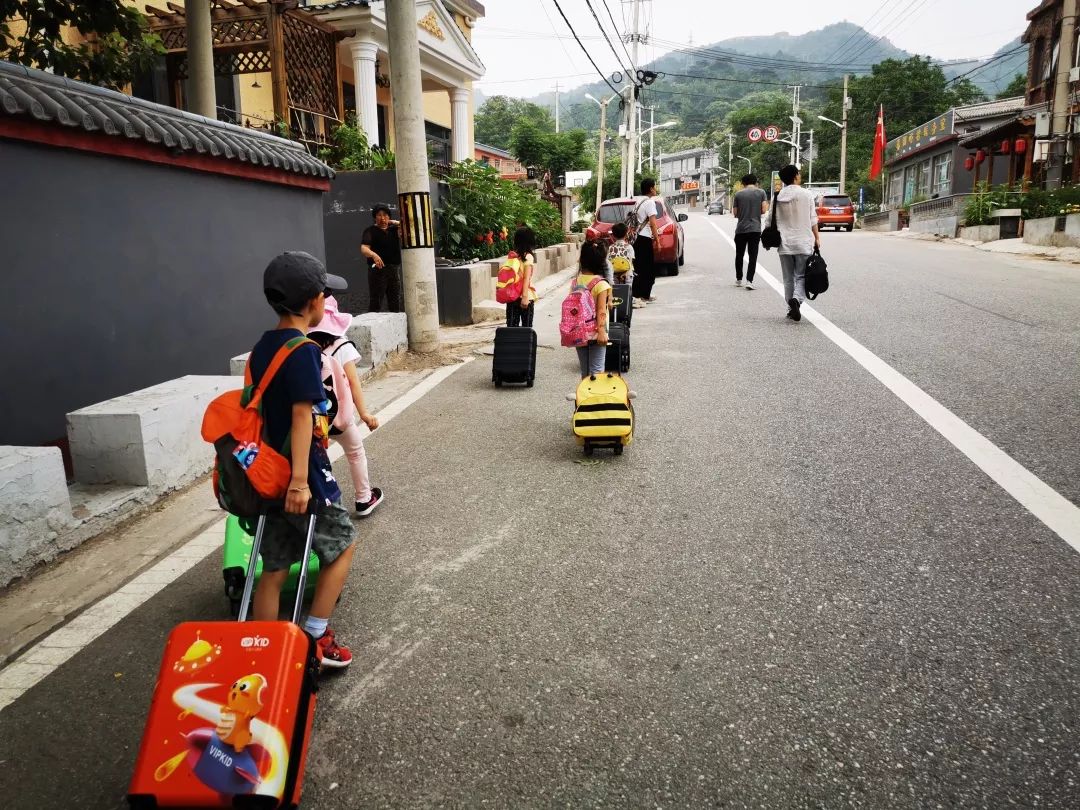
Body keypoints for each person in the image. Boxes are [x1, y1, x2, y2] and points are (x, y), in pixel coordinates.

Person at [250, 251, 357, 668]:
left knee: (275, 565)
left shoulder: (263, 346)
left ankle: (263, 644)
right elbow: (301, 415)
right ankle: (315, 635)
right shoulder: (304, 351)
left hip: (265, 472)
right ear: (314, 301)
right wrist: (300, 481)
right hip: (301, 477)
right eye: (325, 295)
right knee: (343, 545)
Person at [308, 296, 384, 518]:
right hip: (340, 417)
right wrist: (364, 414)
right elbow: (353, 383)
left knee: (317, 459)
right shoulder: (342, 346)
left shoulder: (304, 345)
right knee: (355, 452)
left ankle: (322, 503)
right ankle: (363, 498)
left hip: (314, 418)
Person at [772, 164, 820, 322]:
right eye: (798, 173)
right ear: (795, 176)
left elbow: (768, 221)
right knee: (801, 276)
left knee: (787, 278)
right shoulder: (806, 194)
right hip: (803, 242)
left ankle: (790, 307)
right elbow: (813, 218)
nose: (800, 175)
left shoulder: (777, 196)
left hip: (784, 243)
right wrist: (817, 238)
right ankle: (797, 301)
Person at [570, 240, 612, 377]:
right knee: (597, 372)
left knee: (585, 372)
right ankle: (596, 398)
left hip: (578, 331)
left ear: (582, 260)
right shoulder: (601, 284)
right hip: (595, 332)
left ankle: (583, 398)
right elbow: (601, 310)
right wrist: (601, 331)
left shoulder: (575, 282)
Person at [360, 204, 402, 313]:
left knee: (395, 300)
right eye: (379, 215)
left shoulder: (394, 230)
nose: (382, 218)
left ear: (389, 217)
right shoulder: (370, 231)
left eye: (385, 215)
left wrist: (395, 222)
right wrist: (374, 255)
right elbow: (364, 248)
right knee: (376, 301)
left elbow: (411, 226)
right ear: (375, 217)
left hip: (393, 269)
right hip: (377, 270)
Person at [732, 174, 768, 290]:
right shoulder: (761, 192)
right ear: (755, 182)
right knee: (753, 256)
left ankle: (738, 279)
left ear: (743, 183)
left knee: (739, 255)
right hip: (755, 229)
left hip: (741, 229)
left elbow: (735, 213)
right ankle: (749, 281)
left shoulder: (738, 194)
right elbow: (763, 210)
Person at [630, 177, 661, 305]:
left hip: (636, 238)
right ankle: (643, 295)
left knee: (638, 267)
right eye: (654, 186)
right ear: (650, 189)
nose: (655, 189)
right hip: (644, 239)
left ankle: (639, 294)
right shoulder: (649, 202)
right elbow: (653, 224)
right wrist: (658, 241)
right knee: (648, 269)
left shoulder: (638, 201)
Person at [506, 226, 538, 328]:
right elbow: (526, 278)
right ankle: (526, 345)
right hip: (526, 296)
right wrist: (524, 297)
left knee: (511, 328)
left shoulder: (512, 256)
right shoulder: (528, 256)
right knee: (526, 329)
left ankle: (513, 344)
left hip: (512, 296)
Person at [608, 221, 636, 296]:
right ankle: (627, 306)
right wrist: (626, 273)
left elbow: (608, 263)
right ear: (626, 234)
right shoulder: (629, 247)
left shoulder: (610, 248)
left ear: (613, 235)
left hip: (614, 275)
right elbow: (630, 262)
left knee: (616, 294)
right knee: (627, 294)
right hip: (627, 275)